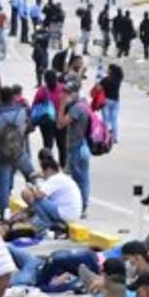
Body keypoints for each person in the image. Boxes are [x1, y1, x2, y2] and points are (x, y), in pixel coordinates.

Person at [0, 87, 36, 215]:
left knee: (4, 186)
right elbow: (29, 125)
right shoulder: (21, 111)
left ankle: (5, 215)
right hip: (20, 152)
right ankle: (38, 206)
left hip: (2, 153)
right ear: (13, 97)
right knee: (32, 176)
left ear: (0, 98)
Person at [21, 152, 82, 232]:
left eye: (44, 171)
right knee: (39, 199)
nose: (43, 174)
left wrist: (32, 188)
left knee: (36, 200)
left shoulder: (55, 179)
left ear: (49, 170)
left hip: (66, 214)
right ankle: (50, 223)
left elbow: (38, 196)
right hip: (71, 213)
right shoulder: (61, 177)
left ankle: (48, 225)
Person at [57, 81, 91, 215]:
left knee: (78, 178)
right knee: (84, 177)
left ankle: (81, 207)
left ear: (74, 93)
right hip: (84, 145)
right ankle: (84, 205)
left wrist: (62, 105)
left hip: (76, 146)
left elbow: (60, 124)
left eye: (66, 93)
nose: (64, 95)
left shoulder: (76, 108)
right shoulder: (84, 104)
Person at [99, 64, 123, 143]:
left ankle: (106, 137)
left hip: (106, 100)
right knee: (114, 120)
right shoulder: (119, 79)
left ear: (111, 70)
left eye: (108, 69)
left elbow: (98, 88)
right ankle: (115, 137)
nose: (107, 70)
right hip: (116, 101)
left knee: (106, 120)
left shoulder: (105, 80)